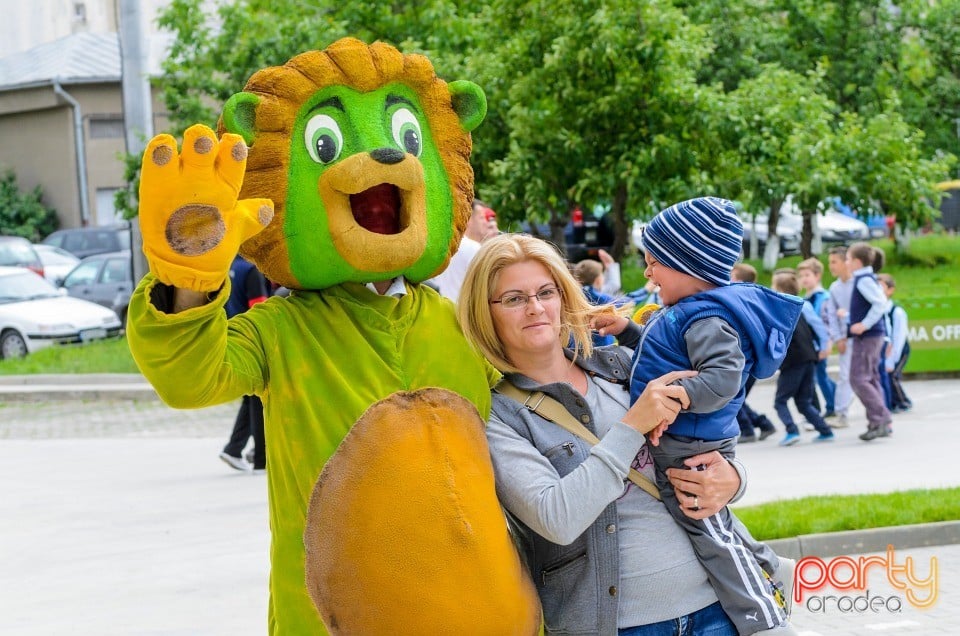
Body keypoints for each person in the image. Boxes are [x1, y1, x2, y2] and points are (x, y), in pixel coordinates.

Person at [457, 232, 796, 636]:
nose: (535, 308)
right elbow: (557, 518)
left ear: (564, 297)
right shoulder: (500, 415)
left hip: (718, 607)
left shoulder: (622, 365)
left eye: (545, 292)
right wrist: (632, 424)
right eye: (514, 299)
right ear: (485, 311)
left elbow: (706, 436)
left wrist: (734, 479)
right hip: (620, 625)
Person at [594, 197, 801, 636]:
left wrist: (675, 396)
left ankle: (763, 615)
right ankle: (768, 567)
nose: (647, 273)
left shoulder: (707, 319)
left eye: (653, 263)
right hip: (690, 439)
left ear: (688, 265)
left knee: (708, 530)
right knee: (714, 523)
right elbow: (663, 352)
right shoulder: (688, 313)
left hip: (692, 445)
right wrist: (628, 331)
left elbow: (724, 379)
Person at [218, 255, 272, 472]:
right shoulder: (251, 270)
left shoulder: (226, 268)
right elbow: (259, 308)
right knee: (257, 400)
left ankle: (233, 449)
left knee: (250, 399)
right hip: (251, 341)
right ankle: (261, 458)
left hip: (229, 338)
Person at [769, 270, 835, 446]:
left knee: (780, 401)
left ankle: (792, 430)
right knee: (803, 401)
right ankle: (825, 430)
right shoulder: (802, 304)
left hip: (793, 361)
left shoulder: (779, 309)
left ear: (780, 289)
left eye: (773, 286)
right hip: (809, 357)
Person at [845, 242, 894, 441]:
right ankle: (878, 421)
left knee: (859, 378)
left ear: (856, 262)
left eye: (847, 259)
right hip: (871, 335)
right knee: (871, 378)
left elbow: (880, 303)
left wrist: (864, 325)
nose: (846, 262)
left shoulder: (863, 280)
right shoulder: (866, 278)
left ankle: (881, 418)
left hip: (868, 336)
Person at [730, 263, 777, 443]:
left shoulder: (742, 300)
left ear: (739, 280)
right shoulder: (753, 299)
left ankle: (748, 429)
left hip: (746, 357)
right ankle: (763, 424)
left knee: (732, 396)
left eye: (732, 275)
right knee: (735, 396)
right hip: (750, 357)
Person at [429, 198, 499, 302]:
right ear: (468, 219)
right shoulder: (474, 249)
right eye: (481, 218)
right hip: (463, 313)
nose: (486, 222)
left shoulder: (441, 245)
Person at [796, 258, 836, 419]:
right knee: (818, 376)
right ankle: (837, 396)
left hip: (821, 343)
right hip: (811, 344)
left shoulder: (823, 297)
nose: (804, 279)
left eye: (808, 275)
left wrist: (827, 343)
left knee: (820, 376)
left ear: (817, 275)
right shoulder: (804, 298)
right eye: (801, 276)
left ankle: (832, 405)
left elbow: (826, 322)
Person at [825, 246, 854, 428]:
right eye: (830, 263)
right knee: (844, 375)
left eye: (834, 262)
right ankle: (841, 413)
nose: (831, 266)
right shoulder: (834, 287)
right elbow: (832, 315)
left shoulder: (859, 283)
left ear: (846, 262)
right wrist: (838, 338)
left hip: (863, 337)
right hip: (846, 339)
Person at [878, 273, 913, 413]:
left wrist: (892, 359)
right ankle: (890, 402)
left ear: (890, 290)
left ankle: (903, 402)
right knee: (884, 376)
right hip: (884, 349)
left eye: (881, 287)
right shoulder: (878, 309)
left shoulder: (896, 312)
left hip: (900, 350)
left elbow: (899, 337)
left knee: (892, 375)